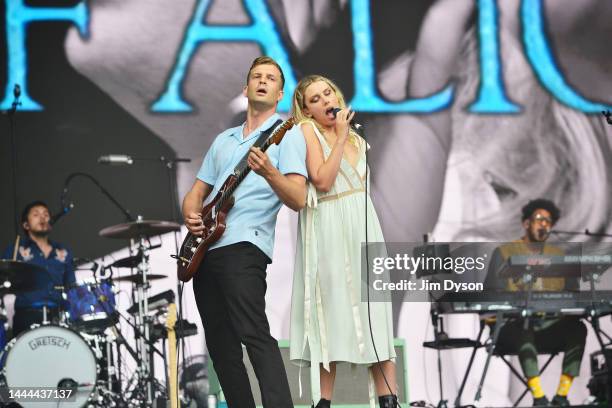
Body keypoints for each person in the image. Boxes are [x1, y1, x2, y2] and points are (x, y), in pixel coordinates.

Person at [182, 56, 307, 408]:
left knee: (254, 335)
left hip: (245, 245)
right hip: (207, 249)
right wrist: (192, 214)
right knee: (220, 347)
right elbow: (196, 192)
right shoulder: (224, 139)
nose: (263, 81)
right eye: (256, 76)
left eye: (270, 78)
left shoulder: (289, 135)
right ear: (246, 88)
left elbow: (298, 197)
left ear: (280, 93)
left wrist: (269, 172)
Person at [289, 75, 397, 408]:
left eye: (328, 93)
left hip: (364, 226)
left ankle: (388, 399)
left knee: (375, 313)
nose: (325, 101)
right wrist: (339, 138)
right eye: (315, 99)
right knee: (331, 311)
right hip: (330, 226)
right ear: (306, 110)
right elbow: (321, 180)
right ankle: (324, 402)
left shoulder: (359, 139)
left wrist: (347, 137)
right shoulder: (308, 132)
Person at [485, 199, 586, 407]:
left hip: (548, 327)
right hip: (512, 330)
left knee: (578, 329)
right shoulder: (504, 253)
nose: (544, 225)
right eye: (540, 219)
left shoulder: (558, 256)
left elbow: (573, 295)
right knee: (523, 329)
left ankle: (561, 397)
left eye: (549, 221)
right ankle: (539, 398)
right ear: (526, 224)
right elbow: (490, 296)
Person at [1, 201, 76, 337]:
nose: (42, 217)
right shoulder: (15, 250)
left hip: (58, 316)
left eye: (46, 214)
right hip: (26, 317)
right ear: (26, 225)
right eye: (36, 214)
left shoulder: (63, 251)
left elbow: (71, 286)